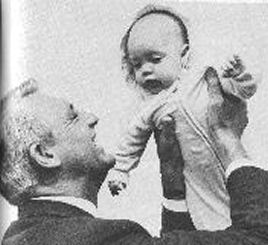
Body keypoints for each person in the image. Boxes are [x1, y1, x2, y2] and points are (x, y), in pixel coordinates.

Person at [1, 76, 267, 245]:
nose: (92, 117)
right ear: (45, 155)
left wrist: (173, 185)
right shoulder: (90, 239)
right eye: (72, 117)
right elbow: (258, 239)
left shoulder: (27, 236)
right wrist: (229, 139)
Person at [107, 4, 258, 232]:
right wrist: (120, 170)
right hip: (198, 179)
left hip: (232, 161)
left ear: (184, 55)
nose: (145, 70)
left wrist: (237, 75)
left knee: (252, 196)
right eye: (136, 64)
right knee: (212, 219)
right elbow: (132, 139)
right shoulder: (151, 108)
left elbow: (242, 90)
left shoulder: (203, 79)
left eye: (155, 59)